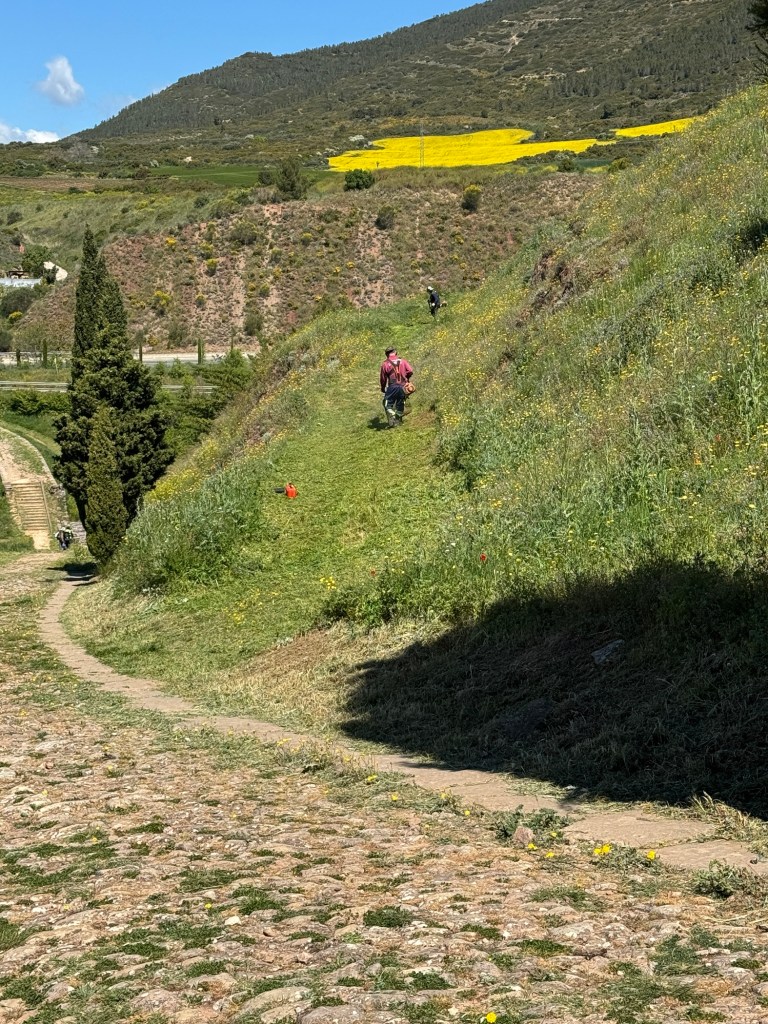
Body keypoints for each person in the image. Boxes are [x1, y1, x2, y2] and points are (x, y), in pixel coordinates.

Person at [380, 347, 414, 428]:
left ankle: (393, 415)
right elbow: (410, 371)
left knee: (386, 404)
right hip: (403, 386)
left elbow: (383, 378)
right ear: (395, 352)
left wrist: (383, 387)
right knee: (400, 403)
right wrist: (407, 379)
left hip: (392, 386)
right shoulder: (403, 361)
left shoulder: (385, 364)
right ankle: (398, 423)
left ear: (386, 354)